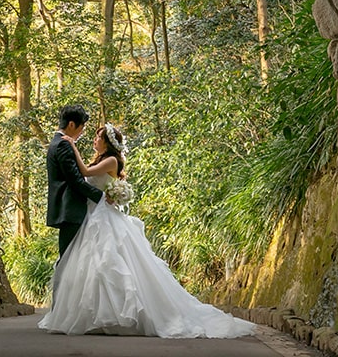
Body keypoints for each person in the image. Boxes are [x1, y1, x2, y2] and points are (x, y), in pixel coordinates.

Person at [38, 121, 255, 339]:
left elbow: (84, 172)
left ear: (107, 143)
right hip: (93, 214)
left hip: (102, 215)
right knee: (93, 264)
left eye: (98, 137)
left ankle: (118, 315)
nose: (94, 140)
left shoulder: (112, 160)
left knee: (109, 262)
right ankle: (93, 315)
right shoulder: (102, 160)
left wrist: (72, 145)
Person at [45, 104, 104, 260]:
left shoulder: (56, 142)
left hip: (68, 211)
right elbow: (75, 181)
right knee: (68, 261)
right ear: (71, 124)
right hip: (70, 210)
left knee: (72, 260)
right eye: (82, 127)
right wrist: (102, 197)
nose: (82, 132)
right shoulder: (63, 144)